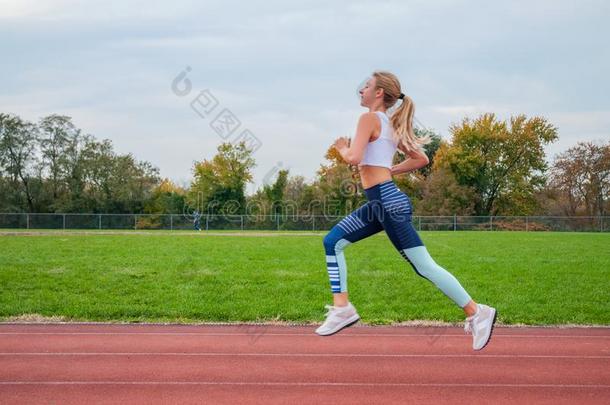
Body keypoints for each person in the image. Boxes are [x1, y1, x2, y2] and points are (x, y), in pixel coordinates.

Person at [315, 70, 497, 351]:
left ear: (378, 93)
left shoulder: (369, 119)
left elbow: (354, 157)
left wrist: (341, 147)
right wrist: (390, 170)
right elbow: (421, 158)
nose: (360, 91)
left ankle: (476, 311)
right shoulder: (388, 124)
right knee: (332, 242)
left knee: (424, 266)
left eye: (366, 87)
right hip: (381, 203)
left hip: (386, 203)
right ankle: (342, 307)